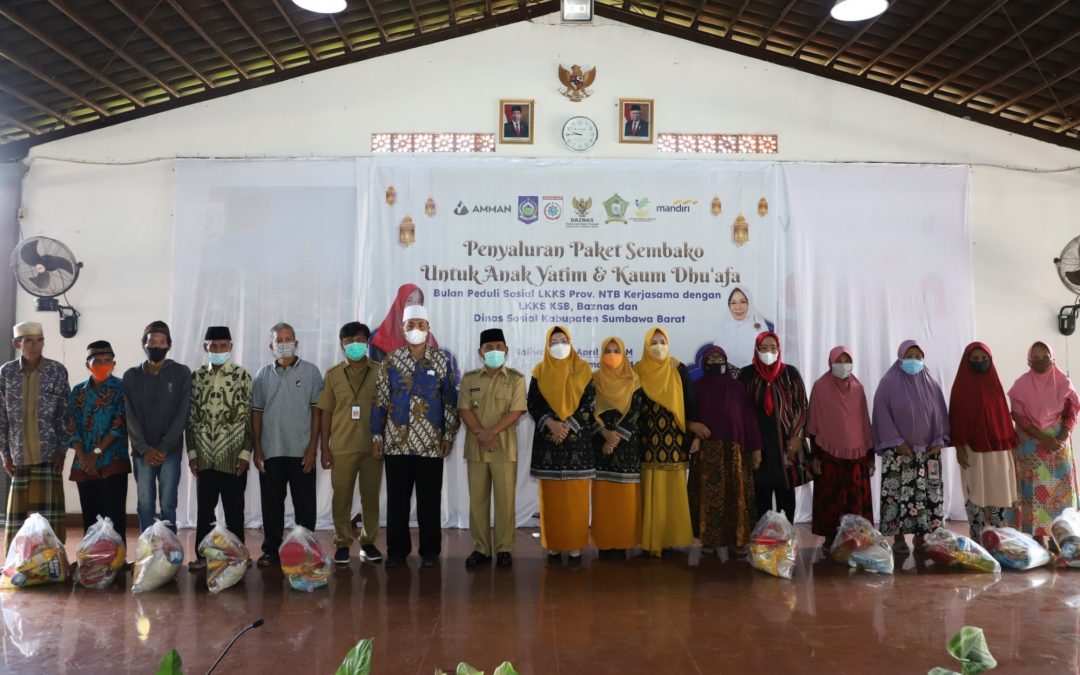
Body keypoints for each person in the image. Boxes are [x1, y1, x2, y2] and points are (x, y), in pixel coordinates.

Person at [372, 305, 459, 569]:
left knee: (429, 501)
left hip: (431, 444)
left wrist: (449, 434)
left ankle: (430, 552)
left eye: (421, 325)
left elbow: (450, 402)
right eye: (411, 325)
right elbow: (380, 400)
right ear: (403, 329)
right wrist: (376, 434)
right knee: (397, 502)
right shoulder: (390, 360)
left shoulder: (441, 361)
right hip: (396, 444)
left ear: (428, 329)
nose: (416, 330)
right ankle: (397, 551)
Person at [252, 322, 323, 567]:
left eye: (288, 339)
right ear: (271, 346)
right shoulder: (262, 374)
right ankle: (271, 549)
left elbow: (317, 413)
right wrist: (257, 448)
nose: (284, 344)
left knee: (305, 507)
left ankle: (307, 550)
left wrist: (313, 447)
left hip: (302, 452)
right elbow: (257, 413)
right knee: (271, 505)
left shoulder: (312, 372)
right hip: (271, 451)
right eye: (279, 340)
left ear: (297, 343)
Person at [873, 339, 949, 553]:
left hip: (927, 453)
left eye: (918, 357)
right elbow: (881, 413)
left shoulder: (932, 382)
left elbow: (940, 414)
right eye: (909, 356)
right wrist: (896, 442)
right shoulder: (887, 383)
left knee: (924, 496)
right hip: (899, 453)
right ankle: (898, 538)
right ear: (900, 357)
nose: (914, 361)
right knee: (898, 495)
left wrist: (938, 440)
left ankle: (921, 537)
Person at [458, 328, 526, 568]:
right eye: (489, 348)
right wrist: (482, 434)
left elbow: (517, 411)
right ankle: (481, 548)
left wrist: (491, 433)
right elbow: (464, 409)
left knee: (505, 501)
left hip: (504, 449)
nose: (494, 351)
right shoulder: (470, 378)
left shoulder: (516, 379)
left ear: (506, 350)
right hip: (476, 448)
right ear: (480, 351)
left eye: (499, 346)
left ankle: (504, 548)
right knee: (478, 502)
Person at [186, 326, 252, 571]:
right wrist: (192, 454)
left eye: (223, 346)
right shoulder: (196, 377)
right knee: (205, 511)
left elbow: (248, 420)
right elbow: (190, 419)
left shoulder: (242, 376)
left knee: (235, 511)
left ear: (231, 347)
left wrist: (246, 454)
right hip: (205, 458)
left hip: (233, 457)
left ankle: (238, 556)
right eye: (213, 346)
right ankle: (203, 556)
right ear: (206, 348)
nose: (218, 350)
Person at [317, 322, 383, 566]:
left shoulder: (380, 371)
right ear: (341, 344)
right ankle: (342, 542)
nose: (354, 345)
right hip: (342, 446)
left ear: (367, 342)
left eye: (359, 340)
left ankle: (368, 542)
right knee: (341, 497)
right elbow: (325, 412)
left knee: (371, 497)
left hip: (372, 446)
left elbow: (386, 409)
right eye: (348, 341)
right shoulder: (333, 375)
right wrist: (325, 448)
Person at [1, 322, 72, 548]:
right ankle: (18, 562)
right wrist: (5, 454)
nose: (35, 345)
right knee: (19, 519)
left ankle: (54, 560)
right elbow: (2, 417)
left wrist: (62, 449)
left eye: (39, 339)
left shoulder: (56, 371)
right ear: (17, 343)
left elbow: (65, 414)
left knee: (50, 518)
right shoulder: (7, 373)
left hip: (49, 455)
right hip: (19, 454)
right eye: (28, 340)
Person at [528, 325, 595, 562]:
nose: (559, 345)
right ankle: (554, 544)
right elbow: (533, 404)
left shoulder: (585, 369)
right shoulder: (539, 370)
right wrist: (553, 425)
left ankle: (575, 544)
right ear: (547, 346)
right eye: (554, 341)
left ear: (571, 341)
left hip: (577, 444)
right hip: (549, 443)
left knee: (575, 500)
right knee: (552, 500)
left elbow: (590, 405)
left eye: (563, 340)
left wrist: (566, 427)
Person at [635, 327, 703, 558]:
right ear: (646, 345)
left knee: (671, 491)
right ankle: (651, 540)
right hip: (646, 440)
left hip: (674, 441)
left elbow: (691, 404)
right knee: (649, 490)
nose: (658, 346)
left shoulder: (678, 369)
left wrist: (694, 437)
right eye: (653, 342)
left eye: (662, 341)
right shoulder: (637, 370)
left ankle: (671, 539)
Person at [688, 346, 762, 555]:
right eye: (711, 358)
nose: (715, 361)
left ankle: (736, 541)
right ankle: (709, 542)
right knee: (709, 498)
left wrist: (756, 449)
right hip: (707, 451)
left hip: (735, 452)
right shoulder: (697, 386)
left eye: (720, 357)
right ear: (704, 362)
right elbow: (690, 416)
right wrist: (694, 435)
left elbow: (749, 419)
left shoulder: (737, 387)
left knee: (734, 496)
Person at [1007, 341, 1079, 546]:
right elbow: (1018, 416)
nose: (1040, 360)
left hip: (1057, 445)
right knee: (1032, 491)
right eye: (1035, 357)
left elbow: (1072, 412)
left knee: (1060, 492)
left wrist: (1061, 437)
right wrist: (1042, 437)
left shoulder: (1064, 383)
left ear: (1053, 357)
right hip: (1030, 444)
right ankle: (1037, 537)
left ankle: (1061, 535)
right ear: (1029, 360)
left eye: (1044, 356)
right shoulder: (1021, 384)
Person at [123, 321, 191, 533]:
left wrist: (164, 446)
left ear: (169, 345)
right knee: (145, 504)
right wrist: (144, 448)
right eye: (152, 342)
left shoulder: (181, 373)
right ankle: (148, 551)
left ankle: (170, 552)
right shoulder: (131, 376)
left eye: (162, 342)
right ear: (144, 344)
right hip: (142, 453)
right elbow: (129, 416)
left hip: (169, 452)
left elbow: (183, 413)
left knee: (169, 503)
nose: (157, 346)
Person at [738, 331, 810, 527]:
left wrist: (797, 436)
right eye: (764, 348)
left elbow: (801, 405)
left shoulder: (790, 373)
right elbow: (742, 412)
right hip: (758, 446)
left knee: (786, 495)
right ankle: (763, 543)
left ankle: (786, 540)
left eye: (773, 348)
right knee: (760, 495)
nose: (769, 352)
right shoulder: (746, 375)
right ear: (756, 349)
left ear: (779, 350)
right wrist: (752, 446)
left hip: (786, 446)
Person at [806, 346, 875, 549]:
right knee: (831, 500)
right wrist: (814, 457)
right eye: (839, 361)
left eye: (847, 361)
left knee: (855, 502)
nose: (843, 365)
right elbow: (814, 426)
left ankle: (855, 538)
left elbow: (864, 423)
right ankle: (830, 538)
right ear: (830, 363)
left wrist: (870, 457)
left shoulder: (858, 388)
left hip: (857, 456)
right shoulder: (820, 387)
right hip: (828, 455)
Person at [950, 342, 1019, 540]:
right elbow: (956, 419)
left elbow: (1003, 419)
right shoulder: (960, 387)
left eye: (984, 359)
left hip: (998, 449)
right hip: (972, 450)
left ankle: (998, 536)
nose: (980, 362)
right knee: (975, 492)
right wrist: (959, 448)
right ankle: (977, 536)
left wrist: (1010, 449)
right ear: (967, 361)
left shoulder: (994, 384)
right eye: (975, 359)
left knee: (999, 490)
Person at [590, 336, 645, 559]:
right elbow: (587, 409)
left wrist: (616, 438)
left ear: (624, 354)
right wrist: (604, 435)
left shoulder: (634, 380)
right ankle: (604, 542)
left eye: (616, 350)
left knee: (625, 498)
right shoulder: (592, 380)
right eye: (607, 350)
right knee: (604, 497)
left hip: (627, 446)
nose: (612, 355)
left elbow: (636, 412)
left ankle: (623, 542)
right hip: (601, 445)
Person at [68, 340, 129, 535]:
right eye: (97, 361)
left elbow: (118, 425)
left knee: (114, 518)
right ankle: (92, 562)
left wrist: (94, 454)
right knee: (91, 517)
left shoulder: (121, 388)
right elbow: (71, 425)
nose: (103, 365)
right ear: (88, 365)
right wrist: (84, 457)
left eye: (107, 360)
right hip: (83, 464)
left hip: (112, 462)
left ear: (114, 364)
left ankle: (115, 563)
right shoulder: (78, 391)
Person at [368, 283, 438, 362]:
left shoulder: (428, 337)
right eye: (409, 300)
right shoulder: (380, 337)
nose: (414, 305)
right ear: (399, 303)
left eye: (418, 301)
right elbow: (378, 371)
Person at [716, 286, 774, 369]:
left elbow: (767, 359)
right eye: (733, 303)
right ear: (728, 306)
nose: (738, 307)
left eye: (743, 302)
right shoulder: (722, 330)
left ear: (749, 304)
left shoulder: (760, 328)